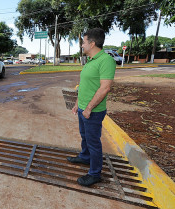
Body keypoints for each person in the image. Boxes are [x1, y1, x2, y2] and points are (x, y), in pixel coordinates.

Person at [67, 28, 116, 187]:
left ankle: (95, 173)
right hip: (83, 108)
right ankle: (85, 157)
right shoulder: (91, 60)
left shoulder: (106, 60)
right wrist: (77, 103)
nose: (82, 45)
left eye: (84, 42)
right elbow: (85, 85)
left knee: (93, 142)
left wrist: (88, 109)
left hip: (93, 111)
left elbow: (105, 88)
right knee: (85, 136)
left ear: (92, 43)